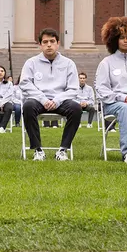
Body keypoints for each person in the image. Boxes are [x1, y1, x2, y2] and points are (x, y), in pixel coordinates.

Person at [19, 28, 82, 161]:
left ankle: (63, 150)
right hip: (38, 100)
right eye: (45, 42)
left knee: (76, 108)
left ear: (58, 43)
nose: (49, 45)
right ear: (40, 44)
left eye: (52, 41)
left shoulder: (68, 64)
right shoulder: (31, 63)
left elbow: (73, 89)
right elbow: (25, 84)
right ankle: (38, 150)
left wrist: (57, 100)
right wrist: (42, 99)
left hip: (61, 100)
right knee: (28, 106)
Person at [96, 16, 127, 164]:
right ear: (114, 39)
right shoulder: (106, 63)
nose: (125, 41)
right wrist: (122, 98)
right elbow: (101, 89)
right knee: (124, 109)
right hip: (114, 104)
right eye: (122, 37)